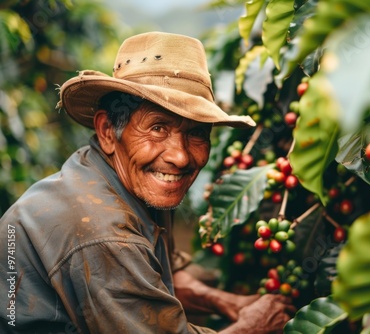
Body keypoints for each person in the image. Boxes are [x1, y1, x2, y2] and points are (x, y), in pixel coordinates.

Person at [0, 32, 295, 333]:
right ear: (107, 131)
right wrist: (253, 327)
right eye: (157, 127)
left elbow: (153, 275)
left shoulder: (124, 176)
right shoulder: (104, 231)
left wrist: (228, 303)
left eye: (196, 133)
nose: (180, 158)